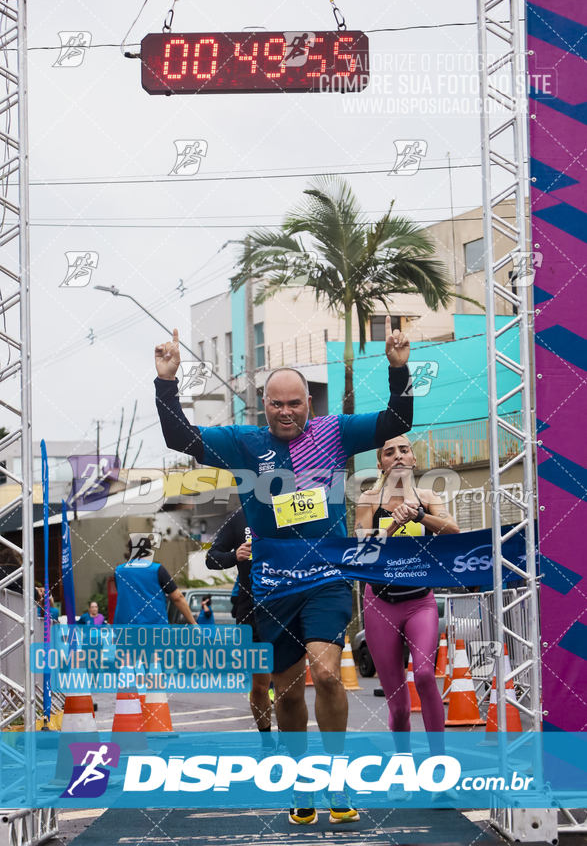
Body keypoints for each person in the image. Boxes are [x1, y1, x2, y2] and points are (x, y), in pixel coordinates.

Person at [154, 319, 413, 826]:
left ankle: (336, 779)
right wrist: (167, 380)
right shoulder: (242, 442)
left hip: (325, 576)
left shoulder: (335, 432)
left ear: (308, 405)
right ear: (264, 407)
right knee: (289, 691)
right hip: (272, 587)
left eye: (295, 403)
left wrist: (398, 369)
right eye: (277, 403)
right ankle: (301, 780)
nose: (286, 411)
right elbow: (177, 435)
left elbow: (394, 419)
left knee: (324, 675)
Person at [355, 436, 459, 775]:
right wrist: (395, 524)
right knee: (398, 706)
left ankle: (439, 766)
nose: (398, 455)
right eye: (389, 452)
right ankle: (403, 766)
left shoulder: (429, 497)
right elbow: (361, 552)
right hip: (380, 603)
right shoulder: (368, 500)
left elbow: (453, 530)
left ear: (413, 459)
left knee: (426, 673)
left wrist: (419, 515)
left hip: (420, 601)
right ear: (381, 463)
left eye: (404, 450)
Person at [206, 507, 274, 756]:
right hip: (251, 609)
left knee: (290, 687)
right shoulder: (240, 516)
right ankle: (267, 744)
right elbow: (211, 558)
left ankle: (290, 745)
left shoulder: (292, 505)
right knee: (259, 687)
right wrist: (235, 555)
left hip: (288, 603)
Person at [113, 535, 196, 626]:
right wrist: (193, 623)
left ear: (130, 550)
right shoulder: (157, 570)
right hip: (154, 628)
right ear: (148, 551)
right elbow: (178, 598)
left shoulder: (119, 571)